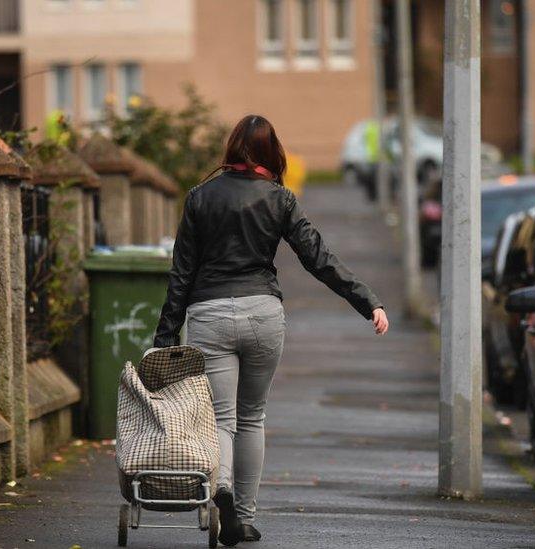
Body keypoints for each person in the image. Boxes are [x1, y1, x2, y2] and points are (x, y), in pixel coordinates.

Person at [153, 115, 389, 546]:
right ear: (270, 152)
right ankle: (242, 516)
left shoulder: (200, 198)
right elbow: (319, 258)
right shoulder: (280, 200)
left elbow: (181, 274)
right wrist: (366, 300)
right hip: (263, 313)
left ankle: (219, 486)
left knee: (221, 419)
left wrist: (165, 338)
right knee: (252, 416)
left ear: (231, 149)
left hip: (209, 315)